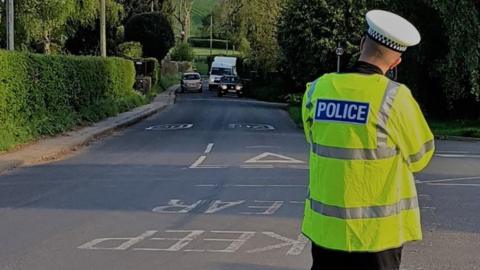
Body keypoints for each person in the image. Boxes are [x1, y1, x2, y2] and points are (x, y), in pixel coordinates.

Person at [301, 10, 435, 270]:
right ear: (396, 62)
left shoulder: (317, 90)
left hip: (326, 234)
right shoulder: (395, 98)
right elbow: (421, 157)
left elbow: (313, 138)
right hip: (377, 238)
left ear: (362, 44)